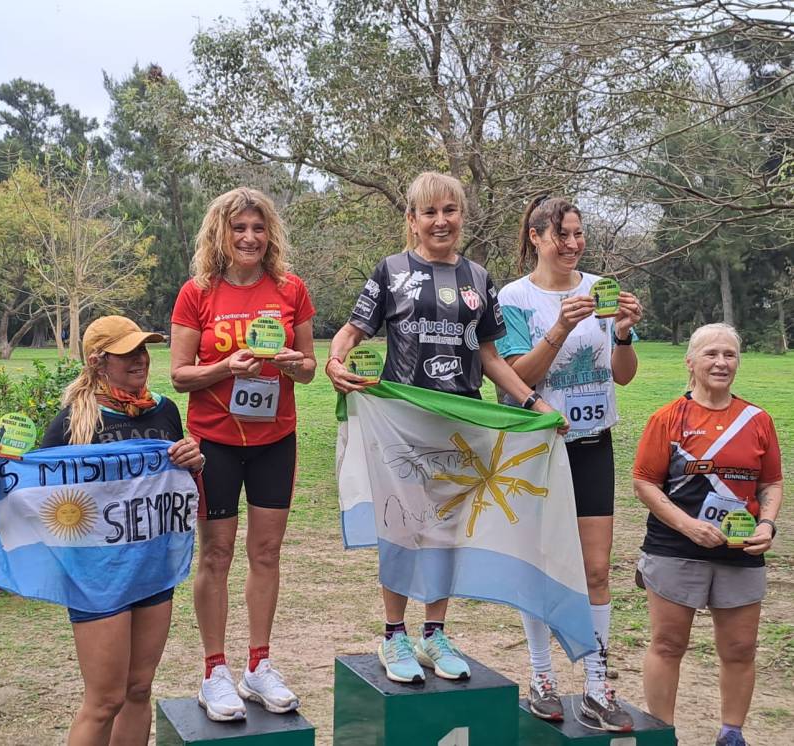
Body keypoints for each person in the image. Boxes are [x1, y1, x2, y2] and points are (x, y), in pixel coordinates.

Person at [325, 171, 561, 685]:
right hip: (401, 424)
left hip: (460, 424)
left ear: (462, 216)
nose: (440, 221)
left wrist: (532, 402)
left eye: (449, 210)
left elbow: (491, 355)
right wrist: (335, 361)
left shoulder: (479, 278)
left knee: (447, 532)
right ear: (411, 221)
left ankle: (434, 632)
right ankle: (393, 636)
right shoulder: (390, 271)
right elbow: (351, 329)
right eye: (428, 212)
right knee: (403, 527)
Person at [0, 315, 205, 746]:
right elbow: (32, 494)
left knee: (138, 690)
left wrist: (193, 461)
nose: (141, 359)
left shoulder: (165, 411)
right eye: (127, 353)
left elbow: (179, 485)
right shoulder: (72, 423)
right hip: (97, 577)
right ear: (99, 363)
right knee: (104, 700)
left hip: (153, 569)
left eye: (142, 349)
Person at [494, 195, 642, 730]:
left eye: (579, 234)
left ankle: (598, 688)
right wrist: (558, 326)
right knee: (541, 563)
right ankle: (542, 679)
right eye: (563, 235)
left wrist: (622, 331)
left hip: (592, 442)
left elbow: (623, 375)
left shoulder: (600, 289)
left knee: (596, 568)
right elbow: (516, 376)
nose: (574, 245)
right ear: (536, 237)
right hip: (534, 449)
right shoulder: (513, 297)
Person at [169, 187, 316, 721]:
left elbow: (308, 367)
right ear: (220, 235)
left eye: (257, 228)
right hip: (213, 443)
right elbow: (180, 375)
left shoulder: (290, 289)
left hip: (276, 439)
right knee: (216, 554)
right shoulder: (197, 293)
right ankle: (215, 671)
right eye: (239, 229)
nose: (249, 237)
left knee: (267, 553)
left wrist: (288, 362)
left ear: (269, 234)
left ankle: (259, 664)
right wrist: (227, 368)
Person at [633, 323, 783, 746]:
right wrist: (688, 526)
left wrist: (768, 525)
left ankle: (732, 733)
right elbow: (644, 482)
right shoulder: (667, 418)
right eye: (711, 354)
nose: (721, 363)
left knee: (740, 649)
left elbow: (771, 483)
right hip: (675, 547)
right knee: (668, 643)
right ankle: (662, 735)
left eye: (730, 355)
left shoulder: (758, 420)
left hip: (741, 549)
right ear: (691, 362)